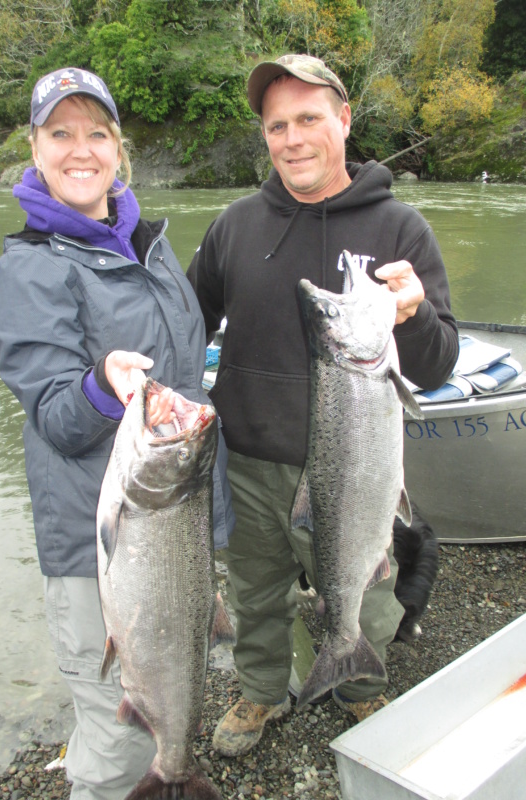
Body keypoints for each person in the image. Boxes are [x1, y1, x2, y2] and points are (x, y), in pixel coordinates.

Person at [187, 54, 459, 757]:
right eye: (277, 125)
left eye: (309, 118)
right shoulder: (234, 226)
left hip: (357, 468)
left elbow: (436, 367)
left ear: (343, 119)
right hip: (249, 458)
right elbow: (183, 323)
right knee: (255, 590)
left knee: (365, 586)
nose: (292, 138)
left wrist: (416, 315)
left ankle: (358, 684)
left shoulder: (400, 230)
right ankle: (260, 689)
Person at [0, 67, 233, 800]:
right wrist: (102, 383)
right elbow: (59, 417)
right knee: (119, 742)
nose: (80, 149)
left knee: (174, 702)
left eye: (97, 132)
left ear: (119, 149)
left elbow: (186, 368)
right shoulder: (24, 270)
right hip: (103, 551)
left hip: (177, 526)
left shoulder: (146, 247)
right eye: (60, 132)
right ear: (35, 148)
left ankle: (176, 773)